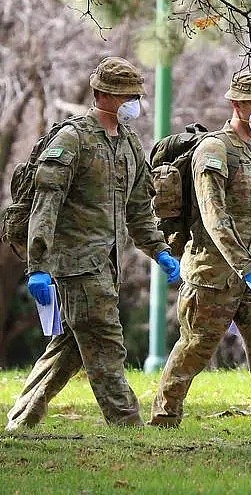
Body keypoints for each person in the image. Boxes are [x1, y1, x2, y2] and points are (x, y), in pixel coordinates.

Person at [6, 57, 181, 431]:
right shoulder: (72, 140)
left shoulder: (129, 142)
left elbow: (138, 207)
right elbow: (45, 205)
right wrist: (38, 266)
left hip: (107, 263)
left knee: (69, 348)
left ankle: (21, 421)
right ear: (102, 94)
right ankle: (127, 425)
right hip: (74, 263)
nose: (134, 102)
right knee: (105, 342)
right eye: (126, 95)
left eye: (136, 94)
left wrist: (160, 250)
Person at [149, 72, 251, 430]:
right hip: (212, 276)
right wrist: (246, 268)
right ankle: (164, 415)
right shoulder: (214, 150)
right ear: (237, 104)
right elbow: (213, 217)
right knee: (195, 349)